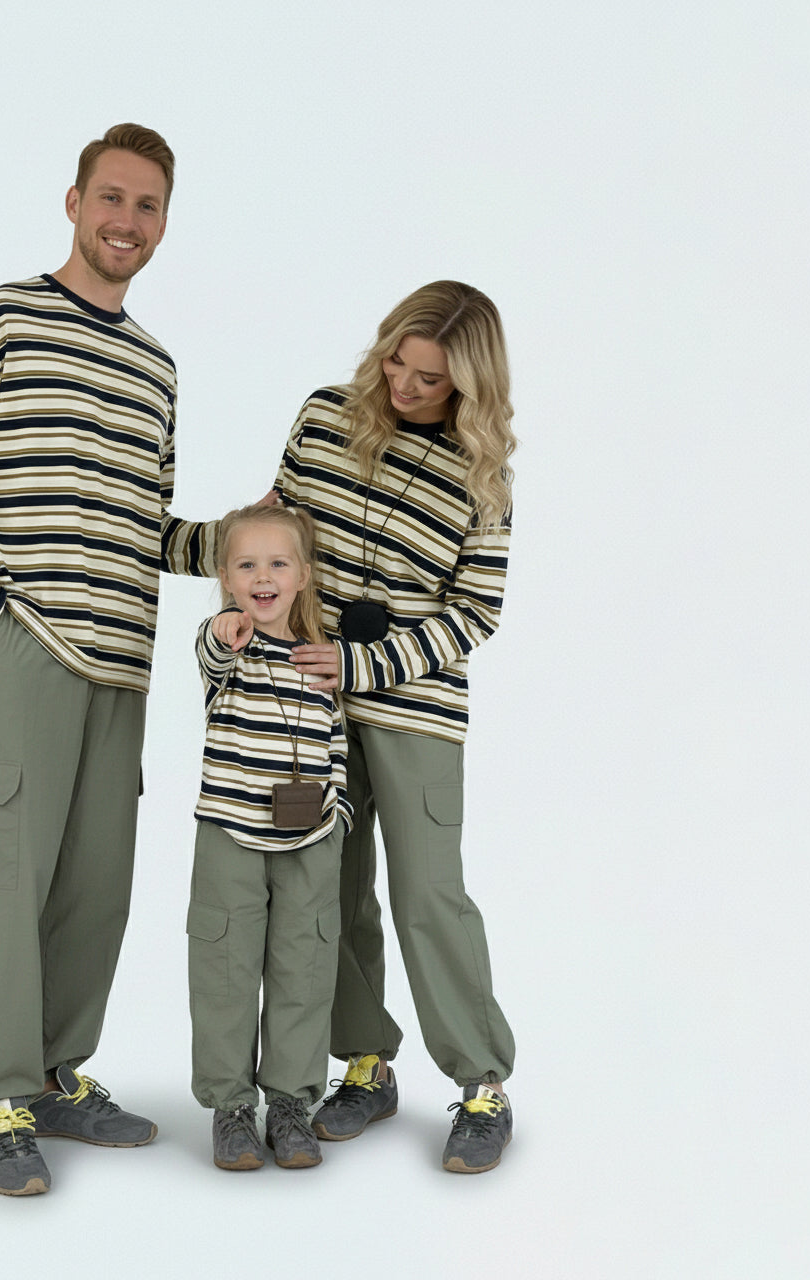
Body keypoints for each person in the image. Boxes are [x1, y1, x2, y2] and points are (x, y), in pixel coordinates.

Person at [0, 123, 200, 1197]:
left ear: (165, 224)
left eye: (148, 207)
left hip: (122, 661)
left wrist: (240, 545)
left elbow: (146, 523)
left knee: (94, 883)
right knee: (2, 873)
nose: (126, 221)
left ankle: (56, 1071)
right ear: (72, 200)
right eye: (111, 198)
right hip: (21, 641)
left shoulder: (156, 368)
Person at [274, 281, 519, 1174]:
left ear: (469, 385)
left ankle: (483, 1085)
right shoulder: (323, 417)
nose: (405, 387)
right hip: (308, 700)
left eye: (431, 379)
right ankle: (367, 1064)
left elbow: (476, 614)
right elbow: (279, 534)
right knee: (325, 889)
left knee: (428, 896)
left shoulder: (483, 472)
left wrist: (368, 665)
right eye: (397, 363)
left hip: (416, 708)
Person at [188, 503, 353, 1172]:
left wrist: (334, 813)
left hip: (310, 839)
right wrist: (222, 631)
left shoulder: (320, 661)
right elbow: (208, 649)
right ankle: (231, 1108)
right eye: (247, 565)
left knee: (303, 971)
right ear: (227, 579)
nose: (263, 576)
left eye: (278, 563)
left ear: (304, 575)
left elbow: (336, 739)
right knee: (226, 970)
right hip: (230, 834)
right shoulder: (227, 645)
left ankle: (289, 1103)